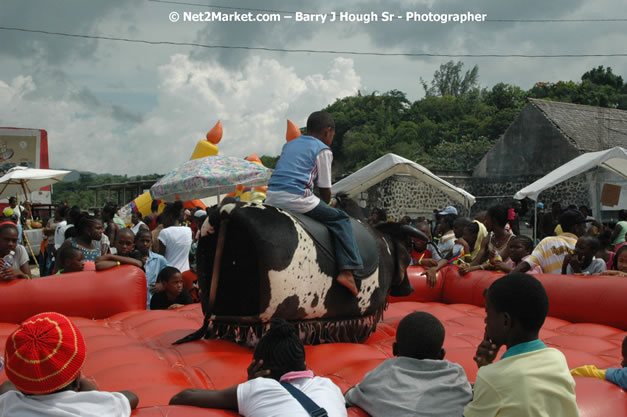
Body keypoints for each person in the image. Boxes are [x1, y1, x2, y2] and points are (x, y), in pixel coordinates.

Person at [265, 111, 362, 296]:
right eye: (332, 134)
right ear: (327, 132)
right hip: (297, 197)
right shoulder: (323, 149)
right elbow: (325, 189)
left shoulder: (289, 144)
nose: (332, 138)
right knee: (340, 219)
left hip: (271, 196)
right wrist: (329, 203)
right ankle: (348, 270)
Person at [169, 319, 347, 416]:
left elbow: (181, 397)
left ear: (259, 365)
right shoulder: (329, 386)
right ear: (304, 365)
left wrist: (250, 384)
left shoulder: (258, 388)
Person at [463, 273, 580, 417]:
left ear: (505, 321)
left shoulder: (492, 378)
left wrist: (486, 370)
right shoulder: (557, 358)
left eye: (488, 313)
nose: (486, 321)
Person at [0, 312, 138, 416]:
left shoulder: (8, 405)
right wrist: (91, 391)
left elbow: (7, 387)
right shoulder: (99, 407)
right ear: (76, 377)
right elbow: (131, 397)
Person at [344, 312, 472, 417]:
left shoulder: (382, 376)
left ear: (394, 349)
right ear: (441, 355)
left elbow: (351, 396)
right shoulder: (457, 377)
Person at [513, 209, 588, 274]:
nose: (585, 229)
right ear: (576, 228)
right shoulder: (584, 246)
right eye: (583, 226)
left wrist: (504, 281)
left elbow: (526, 265)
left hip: (551, 288)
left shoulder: (547, 242)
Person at [461, 236, 542, 275]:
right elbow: (492, 266)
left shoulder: (533, 265)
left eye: (517, 247)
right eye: (511, 247)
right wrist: (469, 269)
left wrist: (509, 270)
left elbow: (530, 281)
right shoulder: (511, 261)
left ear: (528, 250)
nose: (512, 250)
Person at [135, 228, 169, 309]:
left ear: (151, 242)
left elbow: (170, 274)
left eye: (147, 241)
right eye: (142, 241)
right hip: (135, 302)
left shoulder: (159, 259)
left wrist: (163, 285)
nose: (145, 244)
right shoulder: (130, 258)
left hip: (152, 303)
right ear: (136, 241)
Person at [158, 201, 192, 273]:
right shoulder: (188, 230)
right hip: (186, 272)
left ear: (169, 216)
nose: (162, 222)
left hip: (170, 274)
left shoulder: (164, 232)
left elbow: (161, 258)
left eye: (163, 218)